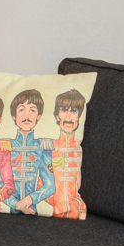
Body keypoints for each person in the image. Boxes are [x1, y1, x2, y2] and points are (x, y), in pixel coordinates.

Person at [7, 88, 54, 214]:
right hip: (11, 210)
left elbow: (50, 185)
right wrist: (16, 204)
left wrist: (30, 200)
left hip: (33, 210)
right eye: (21, 110)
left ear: (38, 116)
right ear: (13, 115)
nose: (26, 116)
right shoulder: (5, 145)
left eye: (32, 110)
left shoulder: (43, 146)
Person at [48, 88, 87, 219]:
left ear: (79, 116)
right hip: (50, 207)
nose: (68, 117)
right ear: (57, 115)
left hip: (76, 210)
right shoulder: (49, 146)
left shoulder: (80, 146)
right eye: (64, 110)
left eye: (74, 111)